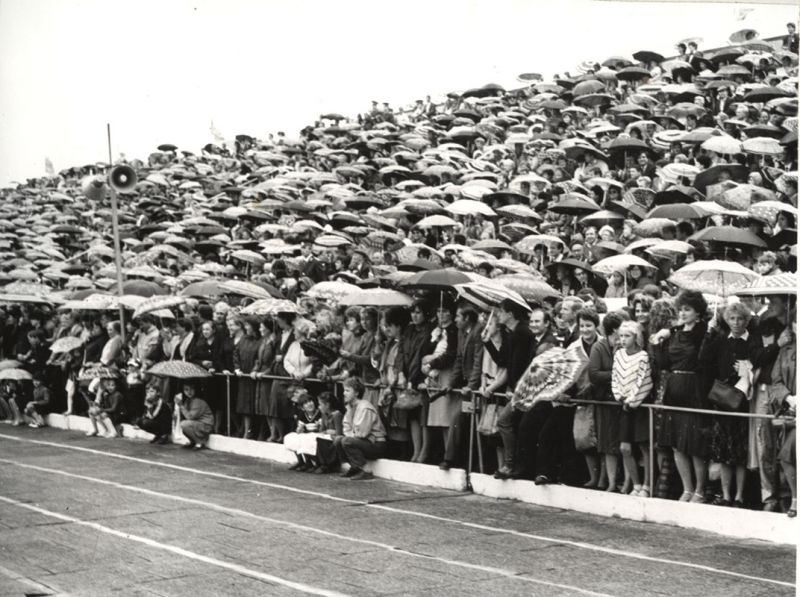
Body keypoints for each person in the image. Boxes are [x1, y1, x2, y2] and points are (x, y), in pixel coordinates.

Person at [651, 290, 710, 503]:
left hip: (694, 389)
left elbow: (704, 362)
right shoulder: (674, 332)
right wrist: (658, 344)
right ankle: (687, 488)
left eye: (688, 310)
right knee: (676, 444)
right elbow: (665, 363)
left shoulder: (704, 332)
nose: (683, 313)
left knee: (694, 444)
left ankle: (700, 491)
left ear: (698, 312)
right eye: (681, 309)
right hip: (674, 386)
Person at [612, 321, 653, 497]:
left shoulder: (643, 356)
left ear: (636, 337)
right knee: (625, 448)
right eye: (621, 336)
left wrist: (632, 400)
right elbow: (615, 377)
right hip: (623, 406)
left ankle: (647, 485)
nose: (623, 339)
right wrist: (618, 395)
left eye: (627, 336)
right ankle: (636, 484)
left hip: (639, 406)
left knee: (644, 447)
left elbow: (644, 380)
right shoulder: (619, 355)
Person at [769, 308, 796, 517]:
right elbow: (775, 381)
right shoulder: (786, 351)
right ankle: (795, 497)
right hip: (791, 411)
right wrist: (788, 398)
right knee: (787, 456)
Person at [335, 377, 386, 480]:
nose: (344, 393)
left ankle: (366, 471)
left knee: (346, 441)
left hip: (376, 444)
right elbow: (346, 428)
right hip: (363, 441)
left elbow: (362, 433)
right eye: (344, 390)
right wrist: (350, 435)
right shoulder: (350, 407)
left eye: (347, 391)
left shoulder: (365, 407)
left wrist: (350, 436)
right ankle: (355, 466)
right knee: (338, 440)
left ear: (357, 393)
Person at [175, 381, 214, 450]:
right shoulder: (188, 400)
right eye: (186, 390)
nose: (189, 392)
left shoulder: (198, 401)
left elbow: (190, 417)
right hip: (198, 423)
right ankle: (193, 442)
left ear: (195, 389)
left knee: (184, 424)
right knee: (184, 426)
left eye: (192, 389)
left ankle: (199, 443)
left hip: (206, 425)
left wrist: (181, 406)